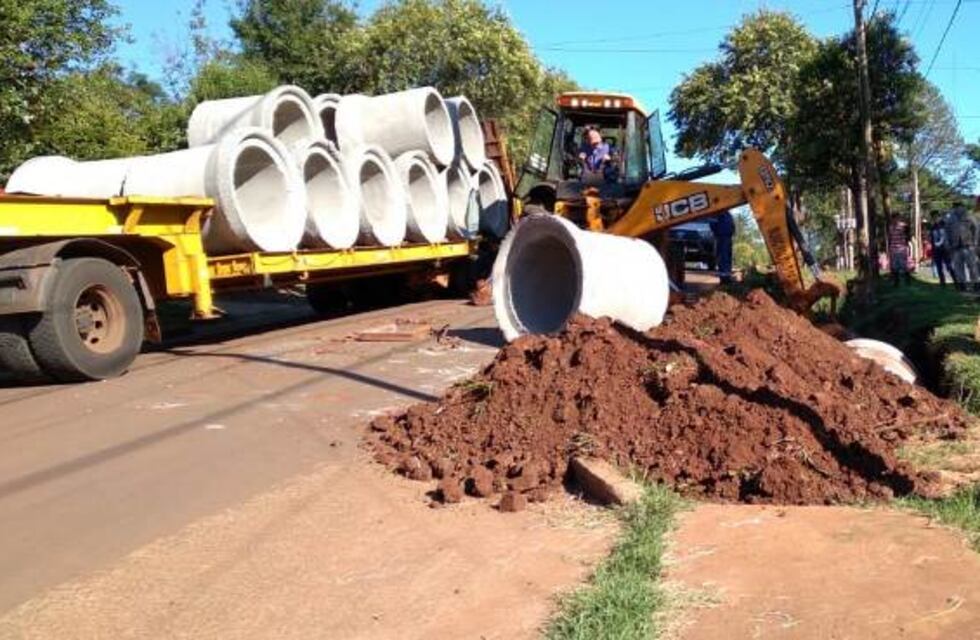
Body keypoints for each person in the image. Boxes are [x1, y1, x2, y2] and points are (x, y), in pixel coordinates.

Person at [946, 201, 979, 291]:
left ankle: (976, 283)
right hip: (955, 246)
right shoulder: (950, 219)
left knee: (972, 266)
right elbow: (947, 232)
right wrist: (948, 244)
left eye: (959, 206)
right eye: (955, 207)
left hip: (968, 245)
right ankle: (962, 285)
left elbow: (976, 229)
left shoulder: (970, 216)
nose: (957, 208)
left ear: (963, 207)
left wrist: (975, 243)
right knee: (958, 267)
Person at [928, 210, 954, 286]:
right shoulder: (932, 227)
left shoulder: (945, 224)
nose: (935, 218)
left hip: (946, 249)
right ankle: (942, 283)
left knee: (949, 266)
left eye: (937, 216)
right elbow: (932, 239)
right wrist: (932, 249)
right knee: (939, 268)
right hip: (936, 250)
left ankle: (956, 282)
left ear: (939, 216)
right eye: (933, 217)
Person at [709, 210, 735, 284]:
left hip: (728, 236)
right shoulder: (716, 213)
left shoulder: (727, 213)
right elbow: (712, 224)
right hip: (721, 236)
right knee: (723, 256)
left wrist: (732, 231)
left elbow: (732, 225)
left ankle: (727, 276)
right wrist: (717, 233)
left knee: (727, 256)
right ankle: (724, 278)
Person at [887, 215, 912, 286]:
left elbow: (908, 235)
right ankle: (896, 282)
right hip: (893, 248)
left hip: (901, 248)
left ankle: (908, 280)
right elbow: (890, 238)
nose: (894, 220)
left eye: (896, 218)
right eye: (893, 219)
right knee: (894, 266)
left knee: (904, 265)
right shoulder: (891, 227)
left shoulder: (903, 226)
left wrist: (906, 243)